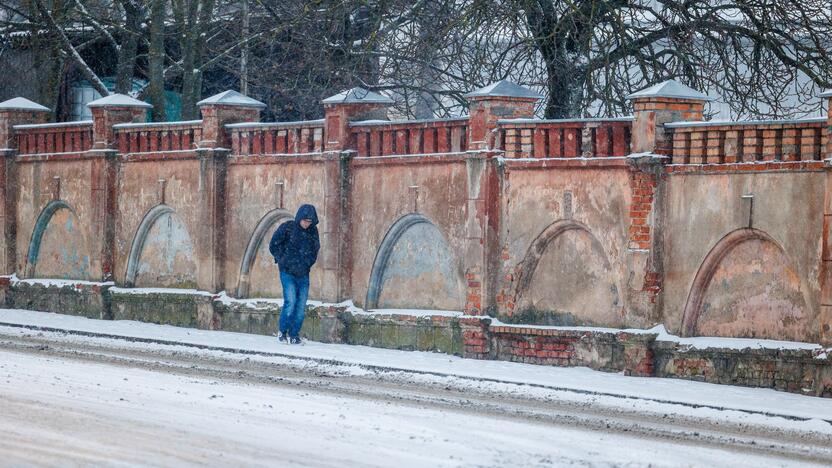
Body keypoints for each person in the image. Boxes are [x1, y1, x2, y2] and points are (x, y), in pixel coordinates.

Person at [269, 204, 320, 344]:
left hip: (303, 274)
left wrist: (306, 263)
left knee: (301, 306)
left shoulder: (313, 232)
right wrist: (283, 260)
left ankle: (294, 334)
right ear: (299, 218)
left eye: (310, 222)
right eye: (305, 220)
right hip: (287, 272)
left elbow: (315, 250)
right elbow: (273, 245)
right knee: (290, 301)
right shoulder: (288, 227)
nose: (306, 224)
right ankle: (282, 331)